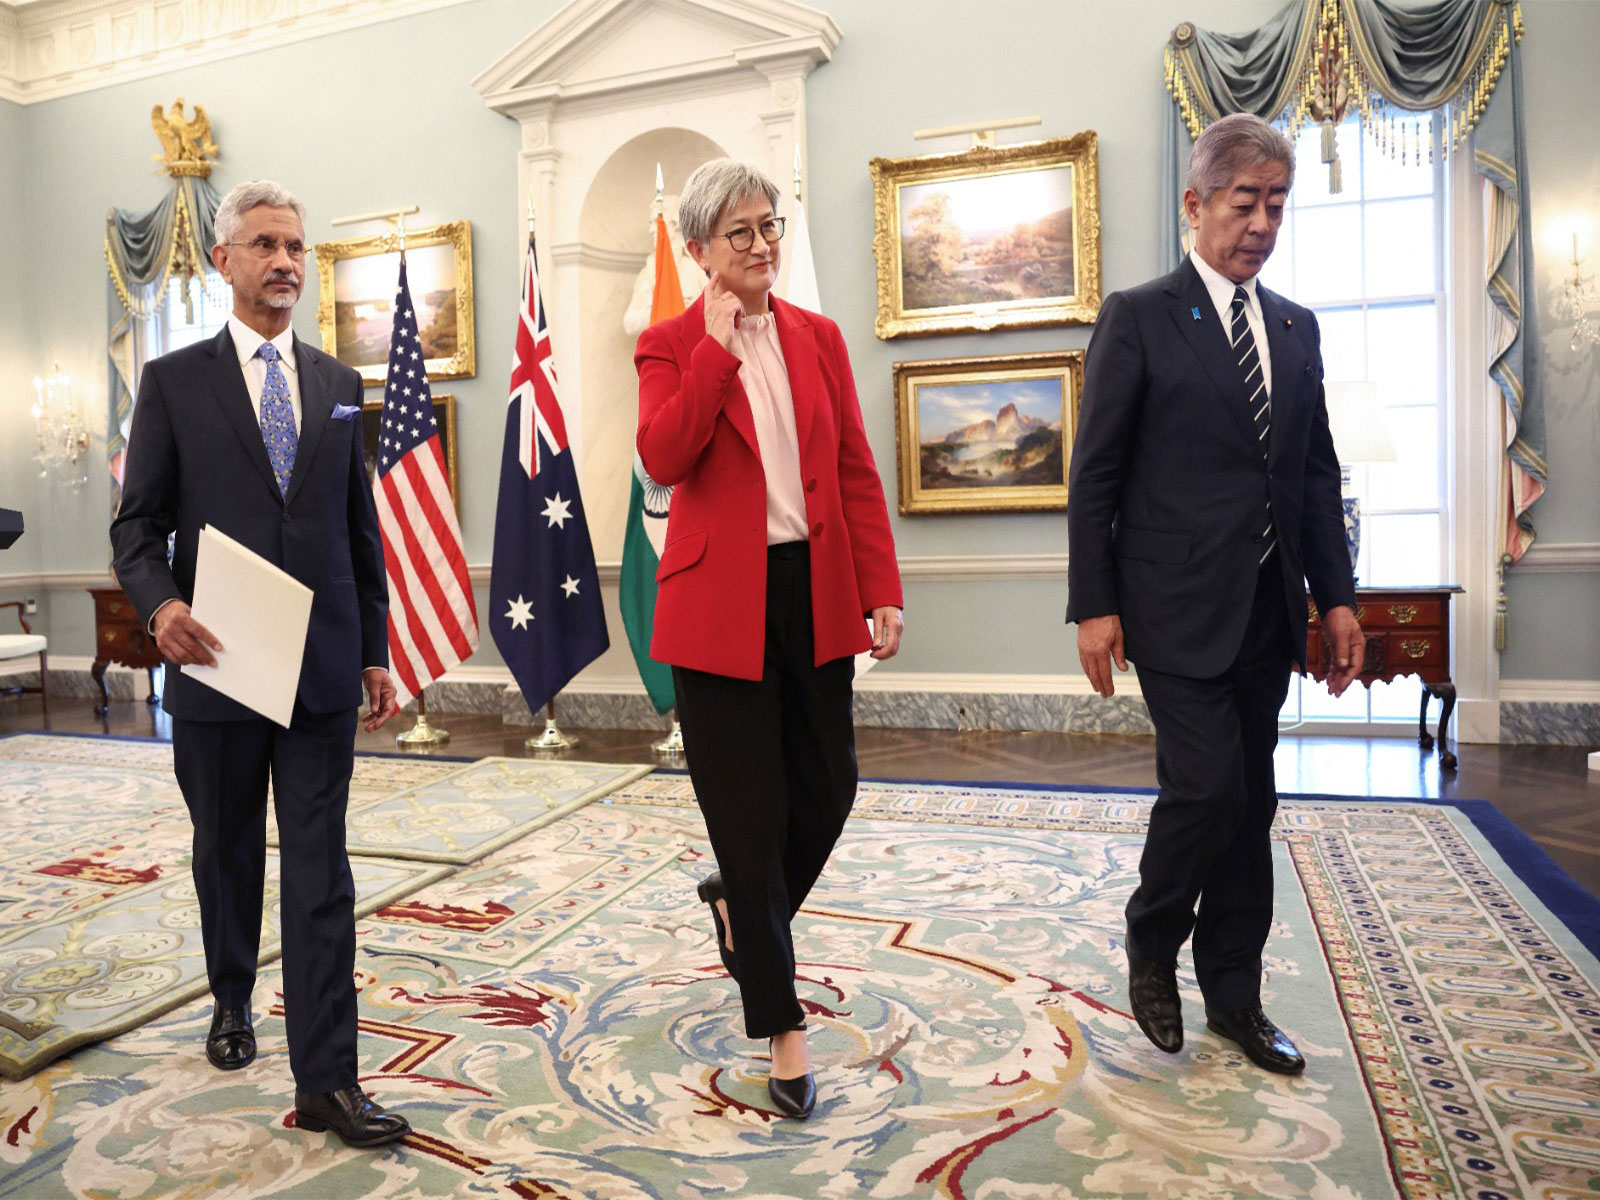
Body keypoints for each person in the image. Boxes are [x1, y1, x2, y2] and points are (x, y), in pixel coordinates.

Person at [110, 180, 408, 1146]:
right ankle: (232, 995)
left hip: (320, 670)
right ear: (222, 261)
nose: (285, 261)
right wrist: (160, 606)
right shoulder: (173, 381)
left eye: (297, 247)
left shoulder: (337, 385)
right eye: (266, 244)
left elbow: (357, 530)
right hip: (218, 665)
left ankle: (328, 1080)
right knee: (228, 851)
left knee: (322, 873)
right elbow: (136, 527)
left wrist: (374, 650)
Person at [1066, 114, 1364, 1075]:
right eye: (1246, 202)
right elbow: (1096, 473)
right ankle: (1153, 941)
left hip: (1267, 613)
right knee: (1207, 786)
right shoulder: (1140, 314)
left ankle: (1236, 996)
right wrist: (1093, 604)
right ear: (1196, 204)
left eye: (1278, 203)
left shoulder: (1295, 326)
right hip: (1169, 607)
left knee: (1252, 805)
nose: (1264, 222)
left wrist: (1339, 598)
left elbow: (1316, 476)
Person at [634, 158, 904, 1118]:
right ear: (699, 249)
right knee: (747, 820)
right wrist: (712, 352)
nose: (761, 245)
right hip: (717, 606)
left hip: (814, 589)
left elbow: (855, 469)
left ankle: (742, 912)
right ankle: (783, 1032)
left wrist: (883, 587)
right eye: (740, 232)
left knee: (830, 788)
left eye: (770, 225)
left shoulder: (819, 337)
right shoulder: (667, 344)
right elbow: (664, 459)